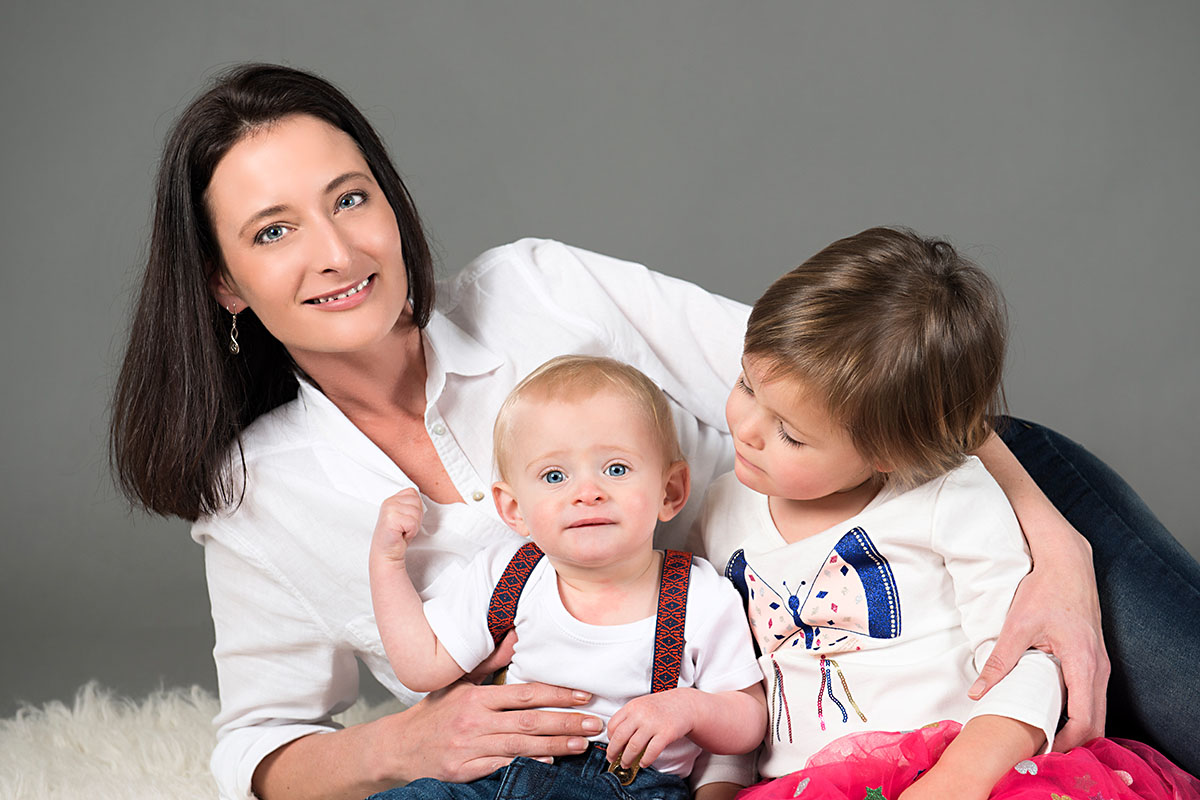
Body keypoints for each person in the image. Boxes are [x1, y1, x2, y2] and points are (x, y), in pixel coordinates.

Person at [106, 62, 1193, 800]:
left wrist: (1055, 551)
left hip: (965, 507)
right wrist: (404, 739)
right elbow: (257, 743)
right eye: (274, 230)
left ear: (391, 203)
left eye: (351, 199)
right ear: (224, 281)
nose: (336, 252)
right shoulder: (255, 490)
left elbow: (848, 390)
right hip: (795, 705)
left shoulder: (537, 290)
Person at [694, 227, 1200, 800]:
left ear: (887, 452)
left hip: (958, 769)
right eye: (745, 384)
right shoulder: (717, 512)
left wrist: (956, 782)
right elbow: (727, 680)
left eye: (790, 434)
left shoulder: (950, 498)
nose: (747, 428)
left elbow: (1028, 658)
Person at [366, 355, 766, 799]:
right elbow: (423, 664)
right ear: (514, 509)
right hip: (498, 778)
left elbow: (748, 720)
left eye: (616, 469)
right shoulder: (510, 574)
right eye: (555, 476)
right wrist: (387, 563)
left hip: (631, 788)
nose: (587, 492)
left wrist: (691, 709)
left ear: (669, 491)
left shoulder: (699, 595)